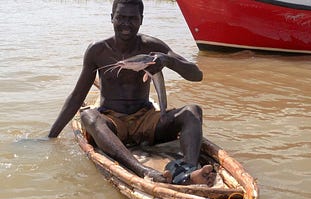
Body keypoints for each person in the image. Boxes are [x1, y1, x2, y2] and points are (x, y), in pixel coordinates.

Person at [49, 0, 214, 186]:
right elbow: (77, 96)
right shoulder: (97, 51)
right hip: (113, 123)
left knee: (193, 112)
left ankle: (190, 171)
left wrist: (168, 61)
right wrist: (51, 137)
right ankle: (143, 170)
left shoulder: (152, 46)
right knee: (88, 115)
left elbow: (196, 75)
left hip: (146, 119)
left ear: (141, 20)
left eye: (132, 18)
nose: (126, 24)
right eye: (121, 17)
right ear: (112, 18)